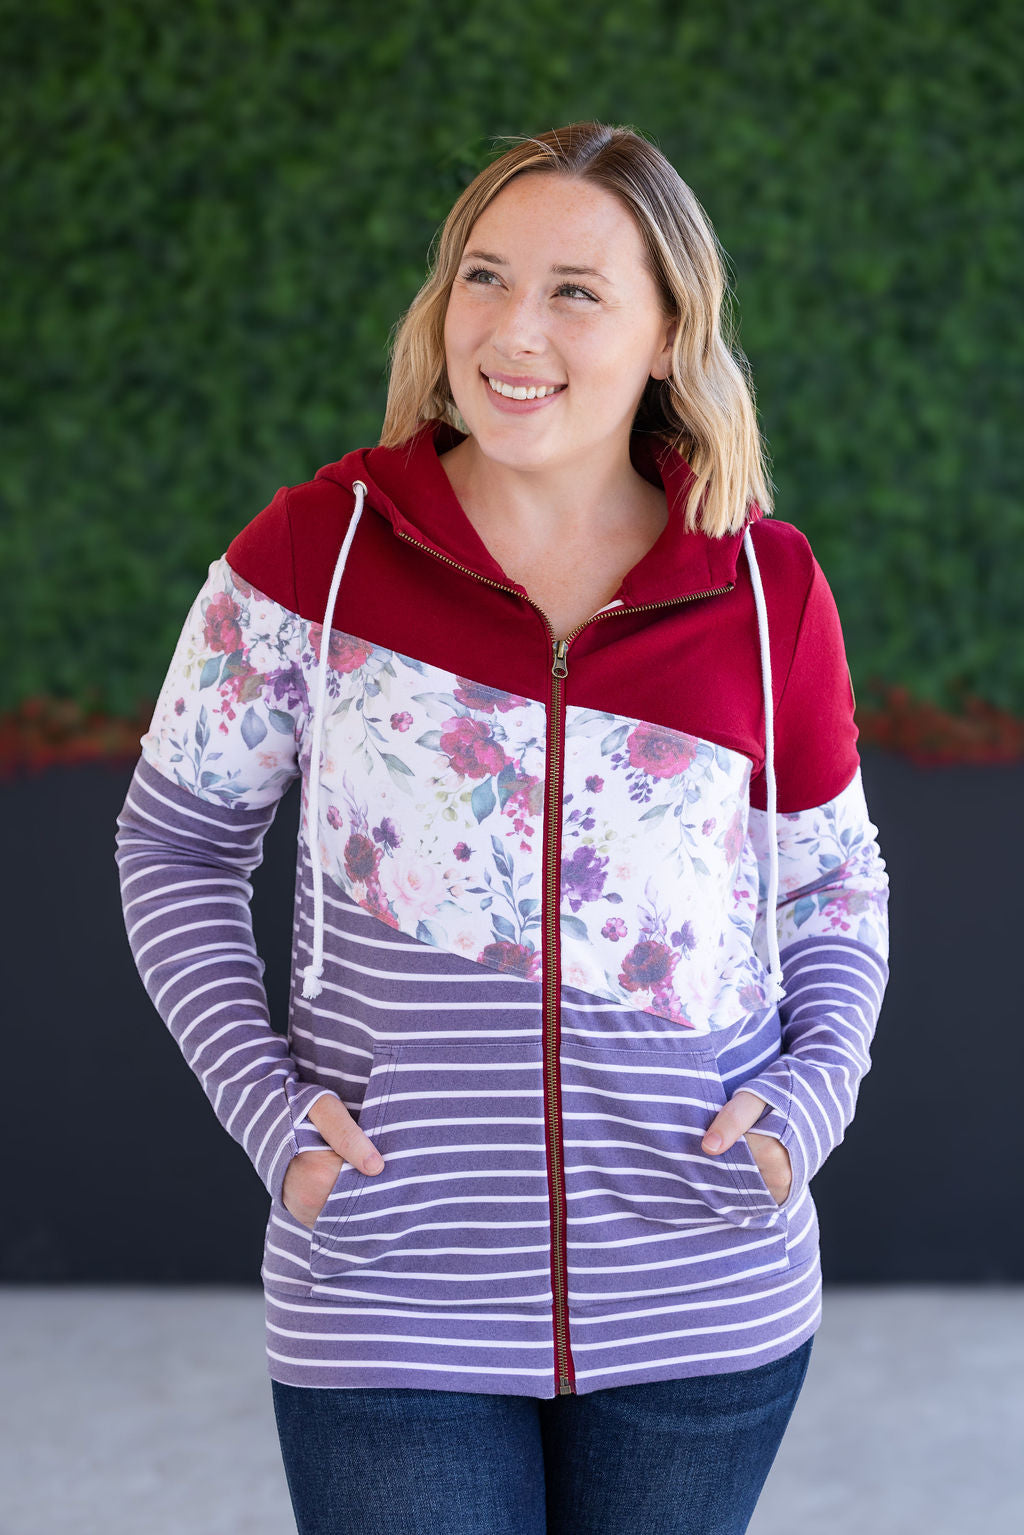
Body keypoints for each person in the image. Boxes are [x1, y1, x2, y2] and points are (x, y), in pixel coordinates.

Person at [115, 121, 890, 1535]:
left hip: (702, 1287)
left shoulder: (764, 589)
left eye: (576, 291)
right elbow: (174, 846)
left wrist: (805, 1106)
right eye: (484, 276)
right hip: (388, 1290)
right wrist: (273, 1117)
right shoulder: (316, 555)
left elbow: (831, 882)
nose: (513, 330)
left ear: (671, 333)